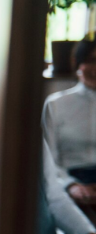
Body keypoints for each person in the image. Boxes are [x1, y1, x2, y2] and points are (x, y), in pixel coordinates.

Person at [43, 38, 96, 207]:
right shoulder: (56, 104)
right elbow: (48, 158)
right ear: (77, 63)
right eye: (91, 60)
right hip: (70, 180)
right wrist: (70, 185)